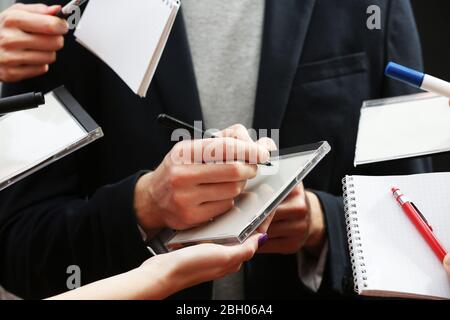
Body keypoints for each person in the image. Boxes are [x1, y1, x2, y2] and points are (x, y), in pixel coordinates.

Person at [0, 0, 432, 300]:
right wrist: (145, 206)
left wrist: (320, 225)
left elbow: (423, 227)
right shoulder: (61, 17)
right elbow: (18, 250)